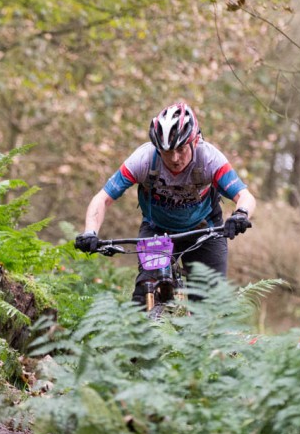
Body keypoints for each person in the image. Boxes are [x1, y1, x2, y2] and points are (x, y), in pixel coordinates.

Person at [73, 100, 256, 303]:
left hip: (205, 229)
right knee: (145, 294)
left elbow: (245, 196)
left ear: (195, 141)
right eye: (167, 151)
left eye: (181, 149)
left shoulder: (210, 160)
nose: (175, 158)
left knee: (210, 304)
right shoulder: (143, 159)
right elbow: (103, 198)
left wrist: (241, 214)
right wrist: (90, 232)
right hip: (157, 230)